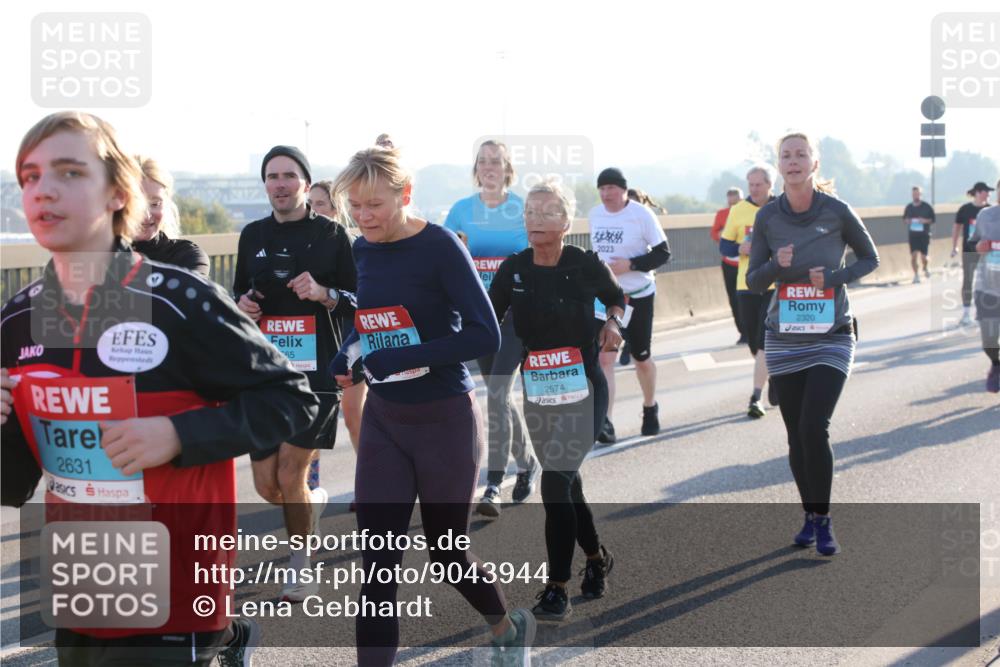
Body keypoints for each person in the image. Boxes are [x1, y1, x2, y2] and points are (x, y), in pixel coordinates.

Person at [0, 111, 318, 666]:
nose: (44, 189)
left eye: (70, 172)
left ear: (119, 194)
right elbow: (12, 480)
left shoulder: (179, 300)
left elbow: (291, 399)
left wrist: (178, 434)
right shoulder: (17, 319)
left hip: (175, 591)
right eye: (30, 176)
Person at [328, 146, 534, 666]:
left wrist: (401, 356)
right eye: (355, 205)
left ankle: (507, 628)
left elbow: (484, 333)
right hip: (385, 421)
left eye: (374, 204)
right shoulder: (363, 250)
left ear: (406, 195)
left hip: (444, 419)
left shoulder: (441, 247)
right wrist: (349, 349)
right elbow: (370, 318)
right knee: (377, 566)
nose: (364, 216)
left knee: (447, 555)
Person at [489, 180, 623, 621]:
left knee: (554, 482)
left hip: (584, 389)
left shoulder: (583, 263)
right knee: (568, 483)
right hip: (541, 393)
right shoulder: (515, 270)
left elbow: (617, 299)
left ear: (566, 222)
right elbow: (486, 314)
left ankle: (557, 587)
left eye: (547, 212)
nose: (535, 219)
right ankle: (597, 557)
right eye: (530, 211)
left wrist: (613, 324)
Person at [233, 145, 357, 601]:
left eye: (288, 175)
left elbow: (359, 299)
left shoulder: (332, 235)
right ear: (265, 184)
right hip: (265, 373)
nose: (280, 184)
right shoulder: (252, 235)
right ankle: (313, 502)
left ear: (306, 183)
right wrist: (242, 304)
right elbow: (237, 297)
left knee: (291, 475)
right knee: (269, 486)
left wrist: (325, 293)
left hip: (315, 375)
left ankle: (301, 566)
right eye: (272, 176)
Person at [746, 131, 879, 557]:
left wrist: (835, 278)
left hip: (831, 336)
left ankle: (823, 522)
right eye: (786, 155)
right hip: (784, 337)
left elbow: (870, 258)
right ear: (779, 165)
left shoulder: (836, 211)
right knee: (794, 435)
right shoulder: (768, 217)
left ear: (814, 164)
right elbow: (753, 281)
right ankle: (809, 513)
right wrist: (774, 265)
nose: (794, 160)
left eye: (802, 154)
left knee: (812, 426)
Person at [444, 140, 539, 518]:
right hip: (479, 315)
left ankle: (494, 484)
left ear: (507, 167)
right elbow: (444, 251)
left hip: (516, 316)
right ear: (476, 168)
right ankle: (528, 461)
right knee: (502, 396)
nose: (488, 167)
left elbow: (540, 252)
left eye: (495, 161)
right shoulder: (461, 210)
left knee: (497, 391)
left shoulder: (522, 208)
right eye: (482, 161)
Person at [588, 167, 671, 442]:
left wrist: (631, 265)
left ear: (624, 190)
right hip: (608, 298)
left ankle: (650, 407)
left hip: (638, 295)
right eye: (601, 188)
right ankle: (606, 421)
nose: (606, 193)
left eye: (611, 188)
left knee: (641, 357)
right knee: (605, 358)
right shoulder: (595, 214)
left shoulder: (641, 215)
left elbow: (663, 252)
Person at [720, 166, 778, 418]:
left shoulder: (782, 207)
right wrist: (740, 249)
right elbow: (725, 245)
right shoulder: (738, 210)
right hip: (746, 283)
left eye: (759, 184)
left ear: (769, 185)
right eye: (751, 185)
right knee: (754, 342)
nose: (754, 189)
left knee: (765, 339)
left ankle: (755, 397)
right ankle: (772, 373)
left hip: (775, 284)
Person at [132, 155, 210, 277]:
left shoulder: (187, 256)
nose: (146, 216)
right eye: (136, 204)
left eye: (155, 204)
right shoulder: (98, 253)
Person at [970, 178, 1000, 393]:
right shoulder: (985, 215)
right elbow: (973, 243)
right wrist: (979, 246)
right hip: (987, 286)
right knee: (988, 339)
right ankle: (997, 364)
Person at [952, 182, 994, 326]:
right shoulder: (965, 209)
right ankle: (965, 314)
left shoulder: (991, 210)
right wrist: (954, 246)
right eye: (986, 192)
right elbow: (957, 227)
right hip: (969, 250)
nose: (989, 195)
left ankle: (983, 312)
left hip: (987, 252)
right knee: (968, 281)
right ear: (978, 192)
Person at [712, 187, 746, 344]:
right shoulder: (722, 214)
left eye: (737, 202)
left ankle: (753, 329)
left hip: (748, 263)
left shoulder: (752, 211)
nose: (734, 206)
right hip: (729, 263)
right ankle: (742, 332)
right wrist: (722, 235)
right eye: (731, 202)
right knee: (734, 298)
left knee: (749, 298)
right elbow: (714, 233)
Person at [903, 185, 934, 283]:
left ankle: (925, 267)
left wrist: (924, 221)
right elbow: (904, 219)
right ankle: (916, 275)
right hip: (913, 235)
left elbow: (933, 219)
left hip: (924, 235)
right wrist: (907, 221)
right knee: (913, 256)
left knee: (924, 257)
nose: (915, 196)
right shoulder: (909, 207)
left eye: (917, 194)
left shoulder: (927, 206)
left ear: (920, 194)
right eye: (914, 194)